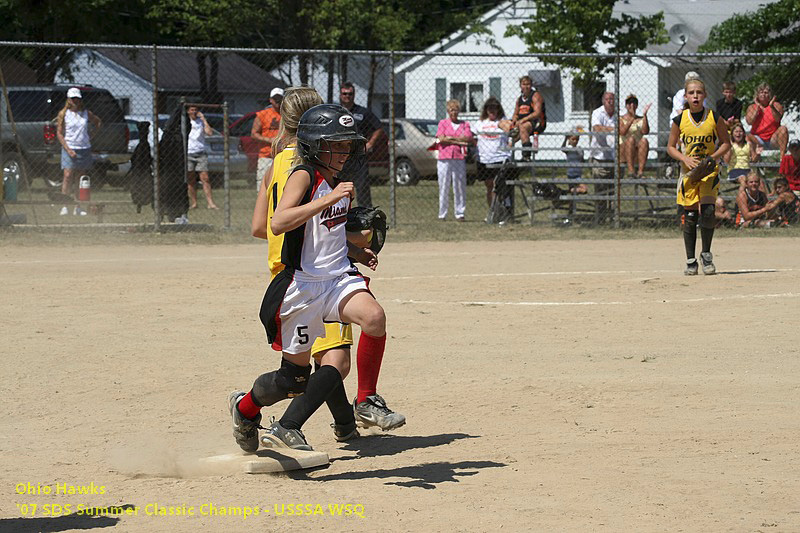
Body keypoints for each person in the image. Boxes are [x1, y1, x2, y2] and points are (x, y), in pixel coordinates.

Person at [230, 103, 399, 452]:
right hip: (303, 286)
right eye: (334, 144)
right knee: (292, 381)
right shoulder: (303, 175)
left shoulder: (335, 179)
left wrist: (356, 253)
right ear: (314, 144)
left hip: (337, 278)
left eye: (345, 145)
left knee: (375, 317)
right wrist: (328, 201)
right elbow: (278, 222)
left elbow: (327, 234)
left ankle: (366, 399)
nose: (342, 151)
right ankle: (245, 408)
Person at [667, 77, 730, 275]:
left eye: (699, 92)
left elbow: (726, 142)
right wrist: (684, 158)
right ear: (685, 96)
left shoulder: (713, 116)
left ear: (705, 95)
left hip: (708, 170)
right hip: (689, 173)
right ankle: (690, 260)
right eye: (691, 93)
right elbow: (670, 147)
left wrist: (712, 158)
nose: (695, 96)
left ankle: (706, 255)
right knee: (691, 215)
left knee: (709, 211)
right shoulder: (680, 120)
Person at [338, 81, 386, 208]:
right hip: (339, 156)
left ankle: (365, 216)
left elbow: (379, 128)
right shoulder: (336, 111)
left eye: (350, 94)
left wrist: (370, 144)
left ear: (354, 95)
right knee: (338, 187)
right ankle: (339, 212)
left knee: (363, 187)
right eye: (344, 93)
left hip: (358, 156)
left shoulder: (363, 112)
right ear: (340, 94)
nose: (347, 96)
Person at [56, 87, 101, 216]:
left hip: (84, 148)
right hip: (69, 147)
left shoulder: (86, 113)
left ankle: (78, 205)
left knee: (80, 178)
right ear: (68, 100)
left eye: (77, 98)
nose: (75, 101)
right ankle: (64, 205)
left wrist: (90, 136)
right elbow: (59, 133)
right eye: (73, 98)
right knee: (68, 175)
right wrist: (68, 149)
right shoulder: (63, 114)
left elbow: (98, 122)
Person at [471, 97, 513, 216]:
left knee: (498, 185)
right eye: (489, 108)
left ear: (498, 109)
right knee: (489, 186)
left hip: (500, 158)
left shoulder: (503, 121)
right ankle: (493, 212)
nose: (492, 110)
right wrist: (476, 146)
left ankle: (505, 211)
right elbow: (472, 136)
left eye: (494, 108)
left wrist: (511, 143)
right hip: (484, 159)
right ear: (486, 110)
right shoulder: (480, 123)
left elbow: (515, 132)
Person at [436, 99, 474, 221]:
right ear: (448, 111)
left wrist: (450, 138)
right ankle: (442, 213)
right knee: (444, 185)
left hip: (458, 157)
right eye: (451, 110)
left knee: (459, 185)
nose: (454, 112)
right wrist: (458, 140)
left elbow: (467, 139)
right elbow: (441, 138)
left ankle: (460, 213)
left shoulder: (465, 124)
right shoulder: (443, 123)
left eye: (456, 110)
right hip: (444, 157)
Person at [185, 105, 218, 210]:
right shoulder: (185, 122)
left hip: (200, 152)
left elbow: (209, 133)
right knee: (190, 178)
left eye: (195, 110)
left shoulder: (200, 122)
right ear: (188, 111)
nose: (194, 112)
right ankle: (194, 203)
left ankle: (210, 203)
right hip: (189, 152)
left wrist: (203, 119)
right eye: (192, 110)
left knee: (205, 178)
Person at [590, 91, 616, 223]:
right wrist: (614, 130)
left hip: (614, 157)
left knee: (613, 191)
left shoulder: (619, 115)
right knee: (600, 190)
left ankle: (612, 219)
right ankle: (600, 218)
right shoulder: (597, 113)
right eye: (607, 99)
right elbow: (597, 128)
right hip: (599, 157)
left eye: (612, 99)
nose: (610, 101)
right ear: (603, 101)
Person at [251, 87, 284, 192]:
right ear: (270, 100)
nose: (278, 101)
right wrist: (269, 140)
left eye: (280, 99)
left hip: (283, 155)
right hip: (266, 155)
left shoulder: (287, 115)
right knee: (263, 187)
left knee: (281, 187)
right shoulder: (262, 115)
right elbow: (254, 134)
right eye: (275, 99)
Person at [745, 83, 789, 161]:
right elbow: (749, 122)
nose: (763, 94)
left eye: (766, 92)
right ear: (757, 95)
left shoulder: (776, 105)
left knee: (783, 129)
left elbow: (777, 119)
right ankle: (755, 157)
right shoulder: (752, 107)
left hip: (773, 138)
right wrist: (757, 107)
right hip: (758, 139)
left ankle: (782, 158)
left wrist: (771, 106)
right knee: (747, 136)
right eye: (761, 92)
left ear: (770, 94)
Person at [510, 75, 546, 161]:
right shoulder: (519, 99)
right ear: (520, 86)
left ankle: (526, 155)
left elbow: (537, 113)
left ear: (531, 85)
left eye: (528, 84)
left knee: (523, 126)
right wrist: (514, 120)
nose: (526, 86)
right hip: (521, 123)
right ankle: (506, 146)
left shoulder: (535, 96)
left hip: (536, 122)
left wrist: (523, 120)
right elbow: (515, 114)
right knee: (503, 123)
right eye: (524, 84)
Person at [618, 94, 651, 178]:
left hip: (637, 151)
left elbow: (645, 131)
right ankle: (631, 171)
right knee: (631, 140)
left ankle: (640, 172)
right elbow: (622, 132)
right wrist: (632, 118)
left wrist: (645, 115)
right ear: (626, 105)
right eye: (629, 103)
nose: (632, 105)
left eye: (634, 103)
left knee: (644, 140)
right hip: (624, 150)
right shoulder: (620, 119)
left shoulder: (640, 119)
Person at [723, 123, 751, 187]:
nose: (738, 134)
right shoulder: (730, 145)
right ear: (732, 134)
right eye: (736, 132)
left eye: (740, 131)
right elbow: (726, 161)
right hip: (735, 170)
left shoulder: (748, 145)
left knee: (759, 181)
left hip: (747, 170)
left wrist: (757, 153)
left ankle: (762, 197)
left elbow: (754, 159)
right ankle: (745, 196)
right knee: (743, 179)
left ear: (743, 134)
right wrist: (729, 148)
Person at [561, 130, 587, 194]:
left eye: (577, 139)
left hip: (578, 174)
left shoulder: (579, 149)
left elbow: (582, 159)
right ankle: (568, 192)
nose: (575, 141)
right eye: (573, 139)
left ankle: (567, 192)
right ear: (569, 139)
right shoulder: (569, 149)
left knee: (581, 190)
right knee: (579, 191)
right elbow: (562, 148)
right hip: (571, 175)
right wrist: (565, 139)